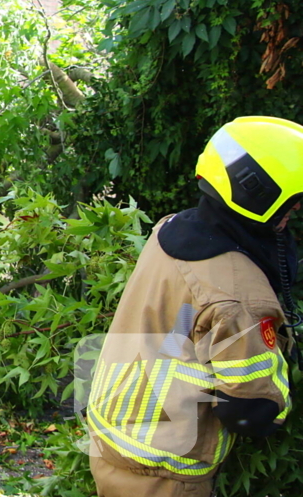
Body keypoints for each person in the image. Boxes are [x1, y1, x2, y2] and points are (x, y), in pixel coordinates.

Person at [87, 116, 302, 497]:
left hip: (114, 439)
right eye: (294, 202)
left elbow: (183, 323)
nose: (295, 213)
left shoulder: (171, 230)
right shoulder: (240, 298)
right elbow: (250, 413)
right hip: (165, 473)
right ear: (259, 192)